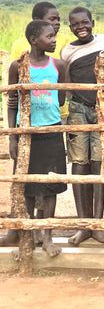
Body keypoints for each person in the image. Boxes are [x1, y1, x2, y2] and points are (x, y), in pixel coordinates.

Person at [6, 20, 67, 257]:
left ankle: (47, 236)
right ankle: (28, 235)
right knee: (27, 188)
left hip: (51, 131)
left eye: (54, 36)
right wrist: (13, 136)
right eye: (49, 36)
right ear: (34, 39)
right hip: (26, 132)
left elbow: (61, 100)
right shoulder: (18, 66)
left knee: (50, 186)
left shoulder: (59, 65)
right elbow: (12, 103)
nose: (54, 40)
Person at [61, 7, 104, 245]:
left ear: (93, 21)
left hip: (101, 109)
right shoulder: (67, 50)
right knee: (80, 164)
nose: (81, 27)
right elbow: (67, 83)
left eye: (85, 22)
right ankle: (83, 225)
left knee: (99, 164)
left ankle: (98, 224)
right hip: (78, 109)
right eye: (75, 24)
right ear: (69, 26)